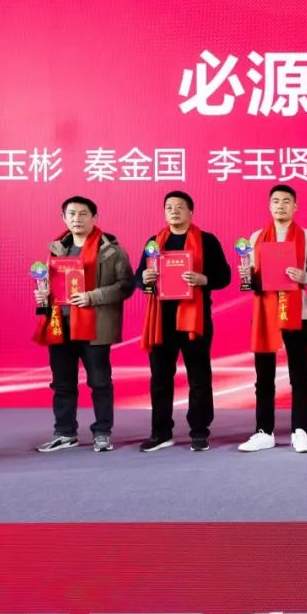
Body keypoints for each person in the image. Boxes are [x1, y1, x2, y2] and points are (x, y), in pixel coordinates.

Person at [34, 196, 134, 453]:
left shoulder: (112, 251)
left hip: (95, 327)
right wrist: (43, 296)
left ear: (94, 217)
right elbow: (54, 286)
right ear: (63, 218)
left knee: (100, 383)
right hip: (60, 325)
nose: (76, 219)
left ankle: (102, 433)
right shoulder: (57, 249)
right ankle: (65, 433)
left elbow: (126, 286)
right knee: (62, 384)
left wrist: (93, 296)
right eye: (71, 214)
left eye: (83, 214)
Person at [136, 190, 230, 452]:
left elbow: (224, 276)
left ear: (191, 212)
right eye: (169, 207)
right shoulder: (154, 243)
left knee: (199, 377)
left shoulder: (207, 241)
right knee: (160, 378)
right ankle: (161, 432)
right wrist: (144, 279)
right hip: (161, 319)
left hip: (194, 318)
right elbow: (138, 276)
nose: (174, 211)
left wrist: (203, 279)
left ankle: (199, 431)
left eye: (179, 207)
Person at [238, 184, 307, 453]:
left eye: (286, 201)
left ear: (295, 206)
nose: (280, 205)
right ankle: (264, 431)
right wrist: (247, 277)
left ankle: (300, 431)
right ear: (269, 205)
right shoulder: (256, 237)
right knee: (263, 376)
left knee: (299, 375)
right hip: (265, 313)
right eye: (275, 201)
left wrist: (304, 277)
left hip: (297, 313)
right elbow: (252, 280)